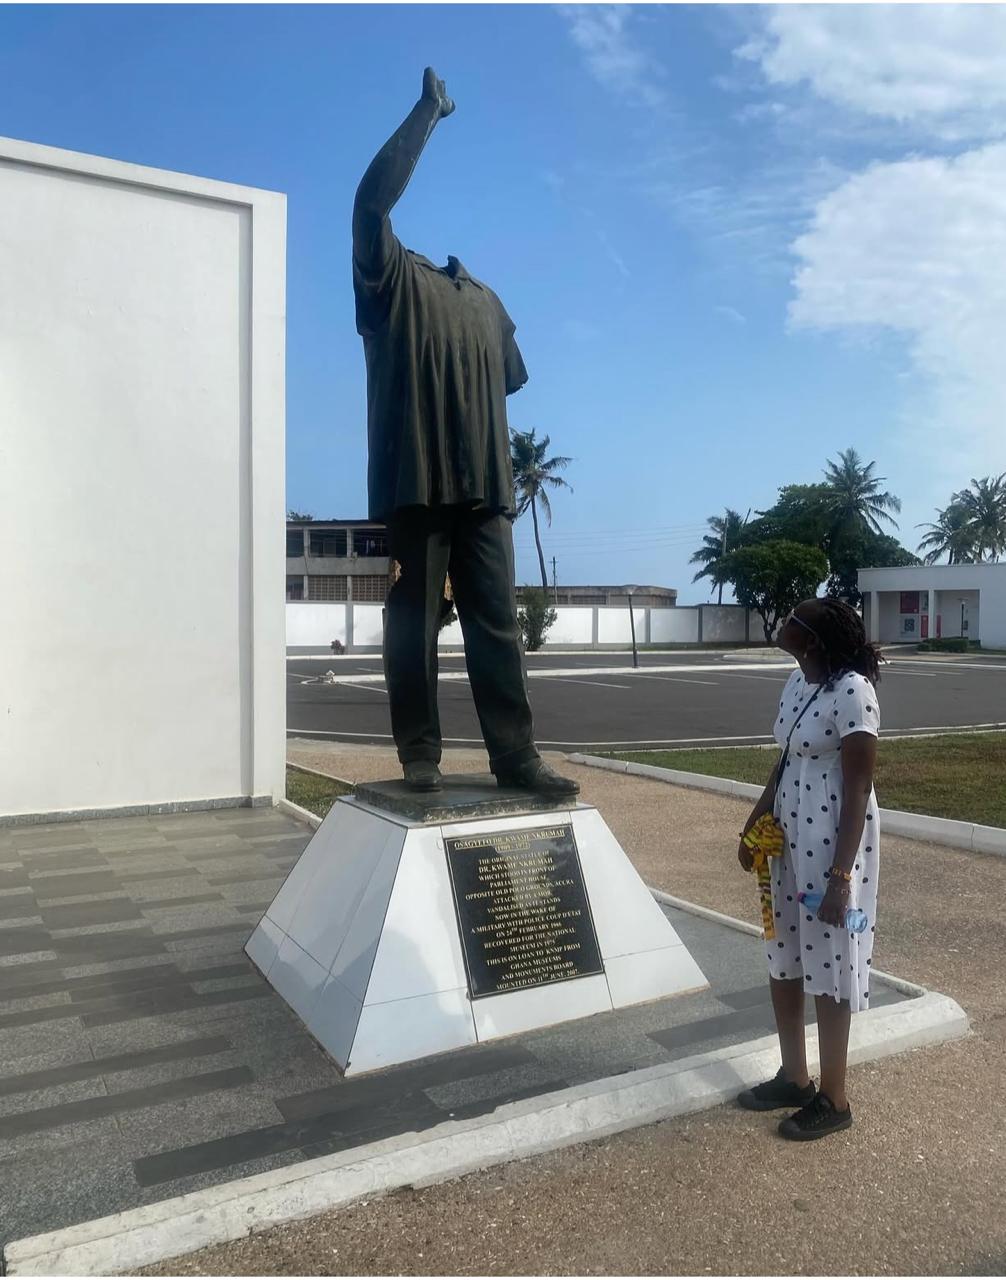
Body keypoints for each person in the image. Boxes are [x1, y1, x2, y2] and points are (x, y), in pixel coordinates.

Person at [736, 597, 882, 1139]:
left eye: (793, 620)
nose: (784, 624)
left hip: (832, 841)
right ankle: (795, 1076)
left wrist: (842, 878)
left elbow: (859, 787)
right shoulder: (798, 682)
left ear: (813, 639)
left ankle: (834, 1097)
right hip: (787, 832)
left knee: (830, 960)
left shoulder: (854, 692)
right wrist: (754, 823)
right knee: (784, 952)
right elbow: (786, 760)